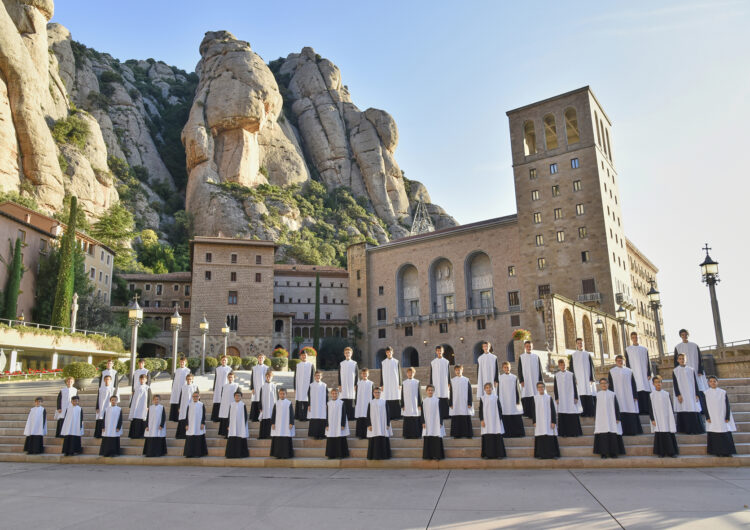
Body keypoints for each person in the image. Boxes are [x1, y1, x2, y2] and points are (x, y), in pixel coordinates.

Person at [608, 355, 642, 435]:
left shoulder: (629, 371)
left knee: (629, 409)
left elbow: (633, 384)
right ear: (616, 362)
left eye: (621, 360)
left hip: (628, 396)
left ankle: (632, 431)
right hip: (617, 395)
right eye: (618, 360)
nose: (620, 362)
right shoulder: (612, 371)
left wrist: (635, 396)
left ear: (624, 361)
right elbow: (611, 385)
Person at [673, 352, 705, 434]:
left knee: (693, 407)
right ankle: (685, 429)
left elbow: (695, 382)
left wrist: (697, 394)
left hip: (691, 392)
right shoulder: (675, 371)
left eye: (683, 358)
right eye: (680, 359)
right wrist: (678, 395)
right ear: (677, 360)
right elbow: (675, 384)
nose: (682, 360)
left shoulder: (691, 370)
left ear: (686, 359)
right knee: (684, 408)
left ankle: (695, 429)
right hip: (682, 393)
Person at [705, 376, 737, 457]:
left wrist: (727, 417)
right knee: (715, 433)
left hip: (722, 416)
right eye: (711, 381)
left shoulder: (723, 392)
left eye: (714, 381)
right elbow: (704, 406)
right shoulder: (706, 393)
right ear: (708, 383)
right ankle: (717, 451)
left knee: (725, 433)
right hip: (712, 417)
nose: (713, 383)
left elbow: (727, 405)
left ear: (717, 382)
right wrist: (707, 417)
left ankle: (728, 452)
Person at [593, 378, 625, 459]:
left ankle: (613, 453)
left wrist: (617, 417)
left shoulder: (612, 394)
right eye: (602, 383)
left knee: (612, 434)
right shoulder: (597, 395)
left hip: (611, 417)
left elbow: (616, 406)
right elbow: (595, 408)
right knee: (603, 435)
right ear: (600, 385)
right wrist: (596, 417)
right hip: (601, 418)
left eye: (605, 383)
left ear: (608, 384)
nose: (604, 385)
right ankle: (603, 453)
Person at [649, 376, 678, 458]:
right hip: (657, 418)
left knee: (668, 433)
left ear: (661, 383)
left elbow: (670, 406)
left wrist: (671, 417)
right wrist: (652, 419)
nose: (658, 384)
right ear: (653, 384)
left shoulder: (666, 394)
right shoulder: (651, 395)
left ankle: (671, 452)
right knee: (660, 434)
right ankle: (661, 452)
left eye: (659, 382)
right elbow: (650, 408)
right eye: (656, 382)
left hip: (666, 417)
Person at [674, 329, 708, 397]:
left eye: (685, 334)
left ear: (688, 335)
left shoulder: (694, 345)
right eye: (682, 335)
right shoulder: (678, 347)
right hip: (684, 370)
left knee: (699, 387)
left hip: (695, 369)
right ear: (680, 336)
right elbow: (676, 360)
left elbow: (699, 358)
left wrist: (700, 370)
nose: (684, 336)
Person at [625, 332, 652, 416]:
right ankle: (639, 410)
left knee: (645, 390)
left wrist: (649, 372)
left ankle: (647, 409)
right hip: (634, 373)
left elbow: (648, 361)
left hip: (644, 373)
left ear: (638, 337)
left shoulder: (644, 349)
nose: (635, 338)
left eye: (636, 337)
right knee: (637, 390)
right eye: (633, 337)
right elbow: (627, 362)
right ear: (631, 338)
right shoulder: (628, 349)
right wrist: (629, 373)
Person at [554, 359, 582, 437]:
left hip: (570, 397)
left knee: (572, 413)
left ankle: (574, 432)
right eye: (561, 365)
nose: (562, 366)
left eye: (564, 365)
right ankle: (564, 433)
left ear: (566, 365)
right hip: (561, 398)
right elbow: (555, 387)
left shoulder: (571, 374)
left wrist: (575, 396)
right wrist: (556, 398)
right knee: (563, 413)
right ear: (559, 366)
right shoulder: (557, 375)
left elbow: (574, 386)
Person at [532, 381, 560, 459]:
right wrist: (534, 421)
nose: (541, 388)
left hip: (548, 421)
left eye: (542, 387)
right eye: (539, 387)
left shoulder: (549, 398)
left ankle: (552, 454)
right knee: (541, 437)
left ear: (544, 388)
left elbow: (553, 410)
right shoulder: (535, 398)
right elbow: (533, 411)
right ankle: (541, 454)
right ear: (537, 389)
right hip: (539, 422)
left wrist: (553, 422)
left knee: (550, 437)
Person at [479, 383, 506, 459]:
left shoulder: (496, 397)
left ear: (492, 389)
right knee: (487, 436)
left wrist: (500, 419)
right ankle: (487, 454)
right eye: (486, 388)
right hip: (486, 421)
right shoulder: (482, 398)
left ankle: (499, 454)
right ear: (484, 389)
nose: (488, 389)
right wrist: (481, 420)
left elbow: (500, 409)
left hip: (495, 421)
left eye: (489, 387)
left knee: (497, 435)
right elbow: (480, 410)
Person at [570, 339, 597, 417]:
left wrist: (592, 378)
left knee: (589, 393)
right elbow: (571, 368)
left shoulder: (587, 354)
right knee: (580, 394)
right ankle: (582, 412)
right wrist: (573, 379)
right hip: (578, 379)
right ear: (576, 344)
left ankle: (591, 412)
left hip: (587, 378)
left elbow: (592, 367)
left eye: (581, 343)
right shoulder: (573, 355)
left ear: (583, 344)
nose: (580, 344)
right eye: (578, 343)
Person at [498, 362, 525, 437]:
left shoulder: (514, 377)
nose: (507, 369)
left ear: (510, 367)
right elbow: (498, 390)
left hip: (513, 400)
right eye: (505, 367)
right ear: (503, 368)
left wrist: (518, 400)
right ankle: (507, 433)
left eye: (508, 367)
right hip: (504, 401)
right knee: (505, 416)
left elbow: (518, 389)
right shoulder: (500, 378)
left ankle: (517, 433)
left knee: (515, 414)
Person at [518, 340, 543, 418]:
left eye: (530, 346)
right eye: (527, 346)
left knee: (535, 395)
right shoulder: (521, 357)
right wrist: (521, 380)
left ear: (532, 347)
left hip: (535, 380)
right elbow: (520, 369)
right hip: (526, 380)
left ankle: (536, 412)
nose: (529, 347)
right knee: (527, 394)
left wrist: (540, 381)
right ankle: (527, 413)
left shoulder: (536, 357)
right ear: (525, 347)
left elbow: (540, 369)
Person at [366, 387, 392, 460]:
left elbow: (388, 413)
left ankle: (384, 456)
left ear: (381, 393)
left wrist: (387, 424)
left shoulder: (384, 402)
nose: (377, 394)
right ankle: (374, 456)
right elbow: (368, 414)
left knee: (382, 438)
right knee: (374, 438)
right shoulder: (371, 402)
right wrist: (369, 424)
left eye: (378, 392)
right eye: (375, 392)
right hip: (373, 425)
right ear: (373, 393)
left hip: (382, 424)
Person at [449, 364, 474, 438]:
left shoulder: (466, 380)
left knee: (465, 417)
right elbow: (451, 392)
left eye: (459, 370)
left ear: (462, 370)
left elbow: (469, 392)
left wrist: (469, 402)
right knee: (456, 418)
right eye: (456, 370)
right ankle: (457, 434)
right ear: (454, 371)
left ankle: (467, 434)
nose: (458, 371)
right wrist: (451, 403)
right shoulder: (452, 380)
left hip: (464, 402)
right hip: (456, 402)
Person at [421, 385, 445, 460]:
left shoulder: (438, 400)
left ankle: (438, 455)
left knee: (436, 436)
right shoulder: (424, 401)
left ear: (434, 391)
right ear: (426, 391)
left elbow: (441, 412)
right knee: (428, 437)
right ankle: (428, 456)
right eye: (429, 390)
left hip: (436, 422)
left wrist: (440, 422)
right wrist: (423, 422)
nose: (430, 391)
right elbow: (422, 413)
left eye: (432, 390)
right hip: (427, 422)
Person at [270, 387, 295, 459]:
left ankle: (286, 454)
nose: (282, 395)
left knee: (285, 439)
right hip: (277, 425)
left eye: (283, 394)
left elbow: (291, 414)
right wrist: (273, 423)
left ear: (286, 394)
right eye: (280, 394)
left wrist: (291, 423)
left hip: (286, 425)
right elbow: (274, 414)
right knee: (278, 439)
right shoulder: (276, 403)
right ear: (279, 394)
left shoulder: (289, 403)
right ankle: (278, 454)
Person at [325, 388, 349, 459]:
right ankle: (331, 454)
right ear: (331, 394)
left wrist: (343, 424)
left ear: (338, 394)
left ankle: (340, 454)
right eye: (333, 393)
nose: (334, 395)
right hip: (331, 424)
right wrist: (327, 424)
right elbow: (326, 414)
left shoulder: (341, 403)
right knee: (331, 438)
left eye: (336, 393)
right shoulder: (328, 403)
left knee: (340, 438)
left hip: (339, 424)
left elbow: (344, 414)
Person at [225, 391, 249, 459]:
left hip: (240, 426)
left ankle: (240, 454)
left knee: (240, 436)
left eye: (239, 395)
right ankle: (231, 454)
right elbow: (229, 415)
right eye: (236, 395)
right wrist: (228, 424)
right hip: (232, 425)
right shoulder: (231, 404)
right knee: (232, 437)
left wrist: (244, 425)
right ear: (234, 397)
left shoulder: (243, 404)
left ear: (241, 397)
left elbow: (245, 415)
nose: (237, 397)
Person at [380, 347, 402, 420]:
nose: (389, 353)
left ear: (392, 352)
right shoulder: (383, 362)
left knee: (396, 397)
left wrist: (400, 383)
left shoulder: (396, 361)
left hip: (395, 383)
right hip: (386, 383)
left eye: (390, 352)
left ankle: (397, 416)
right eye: (387, 352)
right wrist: (381, 384)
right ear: (386, 353)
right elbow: (381, 374)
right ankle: (388, 416)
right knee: (387, 398)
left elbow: (399, 373)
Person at [184, 391, 208, 458]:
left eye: (196, 396)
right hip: (191, 424)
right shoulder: (189, 405)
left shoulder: (201, 404)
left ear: (199, 397)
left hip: (198, 424)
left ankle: (198, 453)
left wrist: (203, 423)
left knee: (198, 438)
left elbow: (203, 414)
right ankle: (189, 453)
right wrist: (186, 424)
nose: (195, 398)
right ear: (192, 397)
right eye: (194, 396)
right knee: (190, 438)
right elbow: (187, 415)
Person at [94, 374, 119, 439]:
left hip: (109, 406)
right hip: (101, 405)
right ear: (104, 380)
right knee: (101, 418)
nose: (107, 381)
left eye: (108, 379)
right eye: (106, 379)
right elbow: (98, 398)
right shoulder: (101, 389)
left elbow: (116, 399)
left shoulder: (113, 389)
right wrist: (97, 407)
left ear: (111, 380)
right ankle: (99, 434)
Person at [430, 345, 451, 420]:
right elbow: (431, 374)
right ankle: (437, 415)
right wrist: (431, 384)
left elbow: (448, 373)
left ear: (443, 351)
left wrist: (449, 382)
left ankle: (446, 415)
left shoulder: (446, 362)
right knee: (437, 398)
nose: (439, 352)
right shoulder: (433, 362)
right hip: (435, 383)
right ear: (436, 352)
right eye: (438, 350)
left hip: (444, 382)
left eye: (440, 350)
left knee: (444, 397)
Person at [401, 367, 422, 439]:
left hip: (415, 403)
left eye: (412, 373)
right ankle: (407, 435)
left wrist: (419, 404)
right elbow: (402, 394)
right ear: (407, 374)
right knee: (407, 419)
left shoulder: (417, 382)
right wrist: (402, 404)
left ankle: (416, 434)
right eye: (409, 373)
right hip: (407, 404)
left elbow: (419, 394)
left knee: (415, 418)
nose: (410, 374)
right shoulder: (404, 382)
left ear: (414, 374)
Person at [128, 373, 151, 439]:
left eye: (143, 379)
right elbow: (133, 397)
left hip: (143, 406)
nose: (142, 380)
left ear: (146, 380)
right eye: (141, 379)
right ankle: (134, 435)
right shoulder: (136, 388)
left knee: (142, 418)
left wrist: (148, 406)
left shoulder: (147, 388)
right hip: (136, 406)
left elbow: (149, 397)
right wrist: (131, 405)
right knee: (135, 418)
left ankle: (142, 434)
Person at [176, 373, 199, 439]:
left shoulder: (195, 387)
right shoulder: (183, 387)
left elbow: (198, 397)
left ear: (192, 379)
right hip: (184, 405)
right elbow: (180, 397)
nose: (189, 380)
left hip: (192, 405)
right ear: (186, 379)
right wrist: (179, 406)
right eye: (188, 379)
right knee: (183, 418)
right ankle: (182, 435)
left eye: (190, 379)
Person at [294, 350, 314, 421]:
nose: (304, 356)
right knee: (299, 401)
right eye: (302, 355)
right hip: (299, 386)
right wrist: (295, 387)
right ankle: (299, 416)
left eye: (305, 355)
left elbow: (312, 376)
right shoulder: (298, 365)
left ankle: (307, 416)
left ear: (307, 356)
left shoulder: (311, 365)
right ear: (300, 356)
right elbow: (295, 377)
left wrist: (312, 387)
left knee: (307, 401)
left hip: (308, 386)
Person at [217, 371, 239, 438]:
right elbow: (222, 395)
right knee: (226, 418)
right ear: (227, 378)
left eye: (231, 377)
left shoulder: (236, 386)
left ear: (234, 378)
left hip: (233, 404)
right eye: (229, 377)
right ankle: (226, 434)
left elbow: (239, 395)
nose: (230, 378)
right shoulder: (224, 386)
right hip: (225, 405)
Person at [339, 347, 358, 420]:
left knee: (351, 400)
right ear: (344, 354)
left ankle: (352, 416)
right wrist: (340, 384)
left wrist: (356, 384)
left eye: (349, 353)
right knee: (344, 399)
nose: (347, 354)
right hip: (343, 384)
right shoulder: (341, 363)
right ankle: (345, 416)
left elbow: (357, 374)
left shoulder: (354, 363)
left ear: (351, 354)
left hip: (352, 384)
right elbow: (339, 375)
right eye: (346, 353)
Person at [257, 370, 277, 439]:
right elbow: (260, 397)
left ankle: (271, 435)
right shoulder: (262, 387)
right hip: (265, 407)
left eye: (270, 377)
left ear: (272, 377)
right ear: (265, 377)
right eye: (267, 376)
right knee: (264, 420)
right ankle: (263, 435)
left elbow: (276, 397)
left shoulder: (274, 386)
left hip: (272, 407)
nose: (268, 378)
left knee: (271, 419)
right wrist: (260, 407)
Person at [169, 357, 190, 422]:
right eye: (181, 362)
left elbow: (190, 379)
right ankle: (174, 417)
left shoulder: (188, 370)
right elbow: (174, 380)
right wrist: (173, 387)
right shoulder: (177, 370)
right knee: (175, 400)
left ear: (185, 362)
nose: (182, 363)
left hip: (184, 388)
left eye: (183, 362)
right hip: (176, 388)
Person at [308, 371, 328, 440]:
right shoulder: (311, 385)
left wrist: (326, 404)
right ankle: (315, 434)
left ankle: (322, 434)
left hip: (322, 405)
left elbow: (326, 395)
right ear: (314, 376)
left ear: (321, 376)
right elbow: (309, 395)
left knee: (322, 418)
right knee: (315, 418)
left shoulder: (324, 385)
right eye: (316, 375)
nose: (318, 377)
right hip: (314, 405)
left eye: (319, 375)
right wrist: (309, 405)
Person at [249, 354, 269, 422]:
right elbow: (252, 378)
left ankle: (263, 417)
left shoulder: (266, 368)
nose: (260, 359)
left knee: (263, 401)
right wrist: (252, 388)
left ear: (264, 359)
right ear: (257, 359)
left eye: (262, 358)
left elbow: (268, 378)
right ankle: (255, 417)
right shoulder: (254, 368)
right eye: (259, 358)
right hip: (256, 387)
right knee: (255, 400)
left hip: (264, 387)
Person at [211, 356, 232, 422]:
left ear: (227, 361)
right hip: (218, 387)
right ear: (220, 361)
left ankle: (225, 418)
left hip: (226, 387)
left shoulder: (229, 369)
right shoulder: (217, 369)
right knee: (218, 401)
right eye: (223, 360)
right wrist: (214, 388)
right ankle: (216, 418)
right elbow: (215, 379)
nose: (224, 361)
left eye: (225, 360)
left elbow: (232, 378)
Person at [355, 368, 374, 439]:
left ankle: (368, 434)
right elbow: (357, 394)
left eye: (365, 373)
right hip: (360, 403)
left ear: (368, 374)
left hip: (368, 403)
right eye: (363, 373)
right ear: (361, 374)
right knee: (361, 418)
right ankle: (361, 435)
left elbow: (373, 395)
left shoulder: (371, 383)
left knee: (367, 417)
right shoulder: (358, 383)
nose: (364, 375)